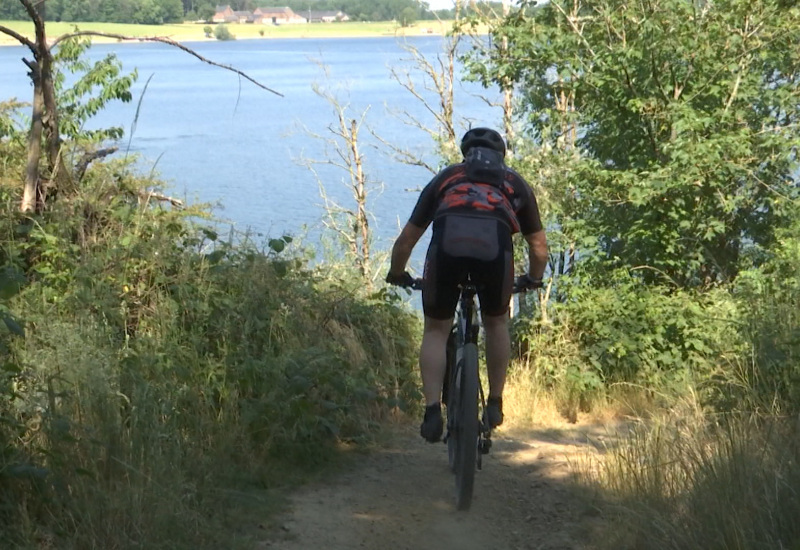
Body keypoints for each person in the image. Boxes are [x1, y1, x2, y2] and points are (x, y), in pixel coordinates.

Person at [385, 127, 548, 443]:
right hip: (495, 256)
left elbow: (407, 239)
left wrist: (397, 273)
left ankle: (433, 410)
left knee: (436, 330)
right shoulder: (516, 184)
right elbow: (538, 246)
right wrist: (533, 279)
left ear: (464, 153)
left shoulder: (448, 178)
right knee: (497, 322)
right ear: (502, 156)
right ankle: (496, 402)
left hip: (447, 253)